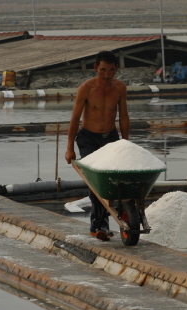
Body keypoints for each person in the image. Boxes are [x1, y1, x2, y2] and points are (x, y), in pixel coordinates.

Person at [65, 50, 129, 241]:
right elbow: (75, 118)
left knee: (113, 179)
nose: (107, 75)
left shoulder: (120, 88)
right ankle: (99, 225)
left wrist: (126, 143)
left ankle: (106, 223)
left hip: (110, 137)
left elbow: (124, 116)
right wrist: (70, 148)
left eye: (111, 70)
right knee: (95, 180)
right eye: (103, 70)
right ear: (96, 68)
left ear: (116, 69)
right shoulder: (86, 88)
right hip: (88, 138)